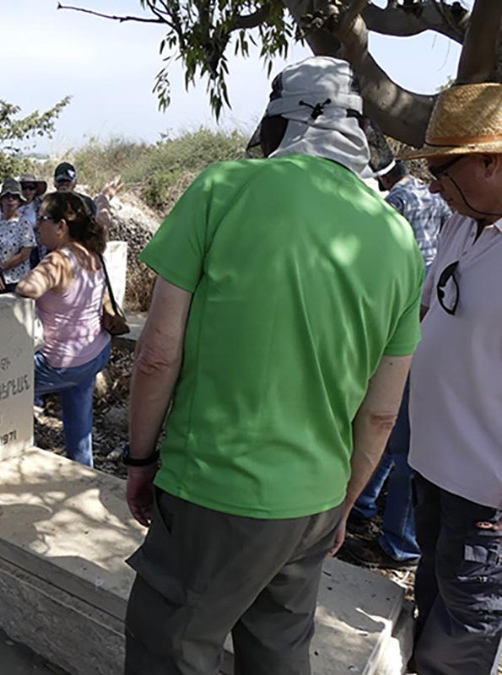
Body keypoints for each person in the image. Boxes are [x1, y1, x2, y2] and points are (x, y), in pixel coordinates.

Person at [122, 56, 422, 674]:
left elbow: (155, 355)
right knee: (279, 654)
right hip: (312, 503)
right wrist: (342, 504)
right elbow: (382, 411)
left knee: (171, 648)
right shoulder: (396, 239)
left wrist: (141, 458)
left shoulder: (223, 189)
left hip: (212, 487)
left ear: (281, 122)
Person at [400, 82, 502, 675]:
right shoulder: (466, 224)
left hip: (486, 489)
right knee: (436, 595)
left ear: (491, 160)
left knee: (467, 624)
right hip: (436, 468)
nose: (433, 183)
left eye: (443, 168)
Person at [341, 159, 451, 571]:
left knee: (401, 438)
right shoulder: (440, 204)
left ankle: (398, 544)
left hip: (413, 321)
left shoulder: (399, 201)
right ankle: (364, 504)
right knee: (394, 433)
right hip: (423, 314)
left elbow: (380, 255)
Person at [16, 191, 111, 468]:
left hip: (60, 363)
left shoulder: (58, 261)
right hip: (94, 353)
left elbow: (27, 288)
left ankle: (27, 459)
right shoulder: (93, 252)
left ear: (61, 226)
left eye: (42, 218)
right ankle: (83, 470)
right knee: (80, 429)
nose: (36, 226)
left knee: (2, 381)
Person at [0, 178, 36, 296]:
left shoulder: (24, 224)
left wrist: (0, 269)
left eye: (14, 196)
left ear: (19, 201)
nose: (10, 199)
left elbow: (24, 254)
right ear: (1, 200)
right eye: (7, 196)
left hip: (16, 281)